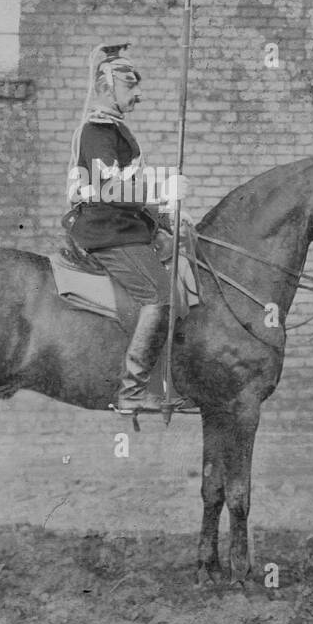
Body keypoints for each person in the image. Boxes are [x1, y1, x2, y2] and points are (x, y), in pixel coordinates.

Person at [67, 44, 194, 414]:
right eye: (130, 86)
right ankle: (133, 390)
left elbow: (128, 188)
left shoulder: (116, 131)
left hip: (124, 225)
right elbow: (110, 189)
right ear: (107, 89)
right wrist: (163, 188)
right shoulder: (97, 131)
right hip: (106, 230)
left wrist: (165, 213)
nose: (138, 93)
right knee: (159, 293)